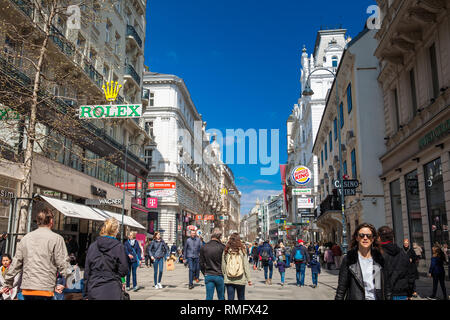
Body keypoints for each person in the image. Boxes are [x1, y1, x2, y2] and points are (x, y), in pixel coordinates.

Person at [0, 208, 71, 300]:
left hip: (28, 288)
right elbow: (63, 263)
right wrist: (66, 282)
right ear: (51, 221)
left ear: (37, 221)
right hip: (46, 288)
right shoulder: (57, 239)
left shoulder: (26, 238)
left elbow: (16, 263)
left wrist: (8, 283)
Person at [335, 223, 391, 300]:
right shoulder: (349, 259)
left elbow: (385, 287)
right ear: (357, 238)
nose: (365, 238)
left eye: (369, 236)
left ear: (373, 239)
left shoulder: (379, 258)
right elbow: (341, 289)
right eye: (361, 235)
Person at [84, 218, 129, 300]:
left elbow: (87, 271)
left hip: (94, 288)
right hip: (112, 288)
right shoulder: (119, 247)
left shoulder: (93, 246)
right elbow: (124, 270)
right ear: (116, 230)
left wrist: (86, 294)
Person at [377, 226, 415, 300]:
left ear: (379, 238)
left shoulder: (378, 254)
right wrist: (409, 293)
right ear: (392, 238)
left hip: (385, 294)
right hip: (402, 293)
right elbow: (411, 275)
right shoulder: (403, 254)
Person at [222, 233, 252, 300]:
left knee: (230, 298)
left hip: (229, 279)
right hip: (240, 278)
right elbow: (245, 265)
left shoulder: (226, 250)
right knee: (241, 297)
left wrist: (224, 274)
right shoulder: (242, 250)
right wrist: (249, 279)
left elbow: (223, 265)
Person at [199, 228, 225, 300]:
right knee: (221, 297)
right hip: (220, 275)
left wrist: (204, 273)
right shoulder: (223, 247)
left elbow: (201, 262)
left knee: (209, 297)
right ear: (219, 236)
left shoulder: (204, 246)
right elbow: (225, 262)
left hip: (209, 274)